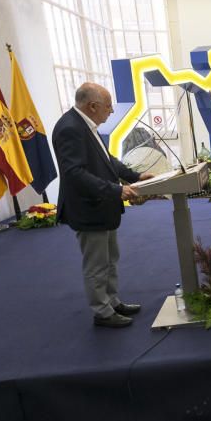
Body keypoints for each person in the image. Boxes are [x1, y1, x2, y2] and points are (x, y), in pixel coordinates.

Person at [52, 82, 154, 328]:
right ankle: (102, 311)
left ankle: (112, 301)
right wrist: (116, 190)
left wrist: (135, 176)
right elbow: (74, 174)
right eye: (108, 107)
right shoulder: (69, 129)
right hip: (88, 208)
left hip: (101, 206)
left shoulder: (87, 125)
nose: (110, 112)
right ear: (93, 106)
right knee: (96, 264)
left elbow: (107, 161)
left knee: (110, 258)